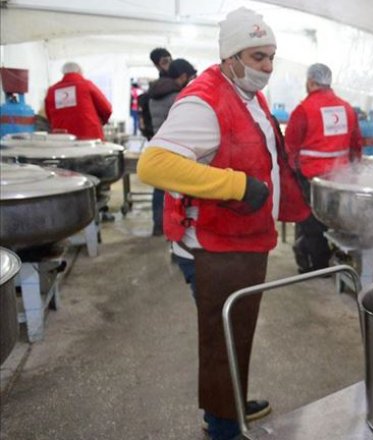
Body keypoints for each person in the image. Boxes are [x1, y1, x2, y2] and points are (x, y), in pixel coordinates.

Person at [137, 8, 309, 440]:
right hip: (213, 247)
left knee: (236, 333)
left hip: (243, 241)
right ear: (231, 57)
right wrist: (233, 185)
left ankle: (230, 402)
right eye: (257, 57)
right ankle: (223, 426)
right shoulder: (203, 101)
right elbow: (153, 164)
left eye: (271, 57)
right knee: (222, 338)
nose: (267, 67)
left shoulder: (247, 93)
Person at [284, 63, 362, 273]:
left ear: (310, 82)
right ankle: (339, 260)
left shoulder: (303, 109)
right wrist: (354, 169)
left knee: (310, 220)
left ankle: (316, 264)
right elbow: (356, 144)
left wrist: (292, 171)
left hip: (311, 176)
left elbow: (290, 146)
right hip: (339, 177)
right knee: (336, 219)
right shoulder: (346, 108)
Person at [147, 58, 198, 236]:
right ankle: (176, 234)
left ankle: (158, 225)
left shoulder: (154, 95)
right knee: (176, 196)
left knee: (160, 188)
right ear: (183, 76)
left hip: (159, 145)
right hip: (177, 149)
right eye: (192, 77)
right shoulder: (178, 97)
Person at [44, 62, 112, 140]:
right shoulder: (86, 85)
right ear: (79, 72)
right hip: (89, 136)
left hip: (62, 139)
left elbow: (49, 116)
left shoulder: (52, 91)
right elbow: (106, 108)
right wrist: (101, 122)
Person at [138, 47, 172, 140]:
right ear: (156, 65)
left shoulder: (176, 81)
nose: (169, 65)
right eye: (165, 62)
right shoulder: (158, 87)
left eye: (170, 60)